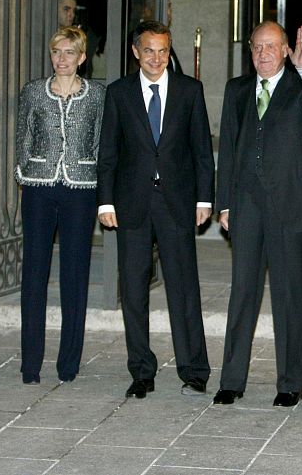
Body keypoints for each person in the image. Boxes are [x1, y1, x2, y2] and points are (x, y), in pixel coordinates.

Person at [212, 22, 302, 407]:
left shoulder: (300, 84)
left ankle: (290, 383)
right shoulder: (236, 90)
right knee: (242, 294)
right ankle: (232, 380)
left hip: (291, 205)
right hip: (247, 204)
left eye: (271, 46)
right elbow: (229, 149)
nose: (263, 53)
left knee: (288, 296)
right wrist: (225, 203)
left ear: (285, 49)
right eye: (256, 47)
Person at [97, 20, 214, 399]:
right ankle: (141, 371)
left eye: (163, 50)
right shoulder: (118, 93)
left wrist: (204, 198)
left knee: (184, 288)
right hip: (131, 202)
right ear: (136, 52)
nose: (156, 58)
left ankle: (194, 369)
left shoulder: (189, 91)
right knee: (133, 289)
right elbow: (109, 153)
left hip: (177, 202)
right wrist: (105, 200)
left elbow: (200, 150)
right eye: (149, 50)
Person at [15, 26, 105, 385]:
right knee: (34, 275)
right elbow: (23, 136)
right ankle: (30, 364)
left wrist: (96, 178)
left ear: (82, 57)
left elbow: (100, 140)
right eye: (57, 52)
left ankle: (68, 363)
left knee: (75, 275)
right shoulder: (34, 92)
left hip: (81, 189)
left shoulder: (98, 95)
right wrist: (24, 175)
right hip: (39, 186)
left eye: (69, 52)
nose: (62, 59)